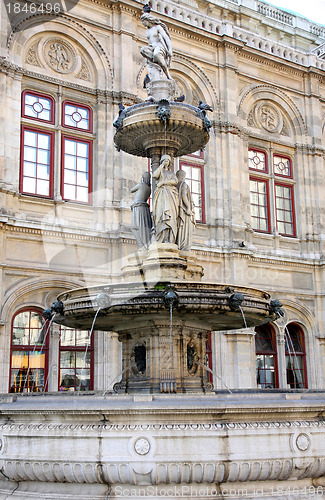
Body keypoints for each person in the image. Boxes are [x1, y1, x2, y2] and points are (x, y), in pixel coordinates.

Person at [152, 155, 178, 244]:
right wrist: (161, 166)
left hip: (170, 195)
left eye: (167, 160)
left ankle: (168, 238)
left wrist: (164, 182)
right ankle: (160, 237)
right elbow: (154, 175)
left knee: (169, 216)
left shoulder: (171, 174)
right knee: (160, 214)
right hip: (160, 194)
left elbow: (175, 181)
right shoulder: (160, 171)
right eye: (164, 160)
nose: (166, 161)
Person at [140, 12, 173, 80]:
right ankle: (156, 63)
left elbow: (166, 38)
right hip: (151, 47)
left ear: (148, 20)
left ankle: (166, 72)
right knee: (142, 50)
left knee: (156, 54)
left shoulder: (158, 27)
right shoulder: (147, 31)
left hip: (159, 46)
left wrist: (170, 49)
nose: (143, 23)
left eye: (143, 21)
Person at [130, 172, 153, 249]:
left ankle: (141, 246)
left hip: (138, 207)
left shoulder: (141, 185)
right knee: (142, 227)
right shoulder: (149, 188)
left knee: (134, 227)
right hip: (144, 208)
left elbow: (131, 190)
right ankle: (143, 245)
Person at [176, 170, 195, 251]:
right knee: (185, 229)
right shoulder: (183, 184)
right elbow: (184, 195)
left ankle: (179, 243)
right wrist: (188, 207)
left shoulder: (175, 186)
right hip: (184, 211)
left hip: (178, 211)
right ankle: (184, 245)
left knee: (180, 227)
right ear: (183, 176)